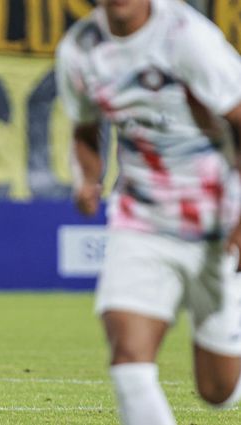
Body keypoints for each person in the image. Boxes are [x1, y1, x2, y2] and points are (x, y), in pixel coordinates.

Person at [56, 0, 241, 424]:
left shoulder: (187, 38)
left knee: (218, 391)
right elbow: (85, 129)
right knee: (128, 358)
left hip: (216, 222)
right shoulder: (80, 50)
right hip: (141, 218)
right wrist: (88, 177)